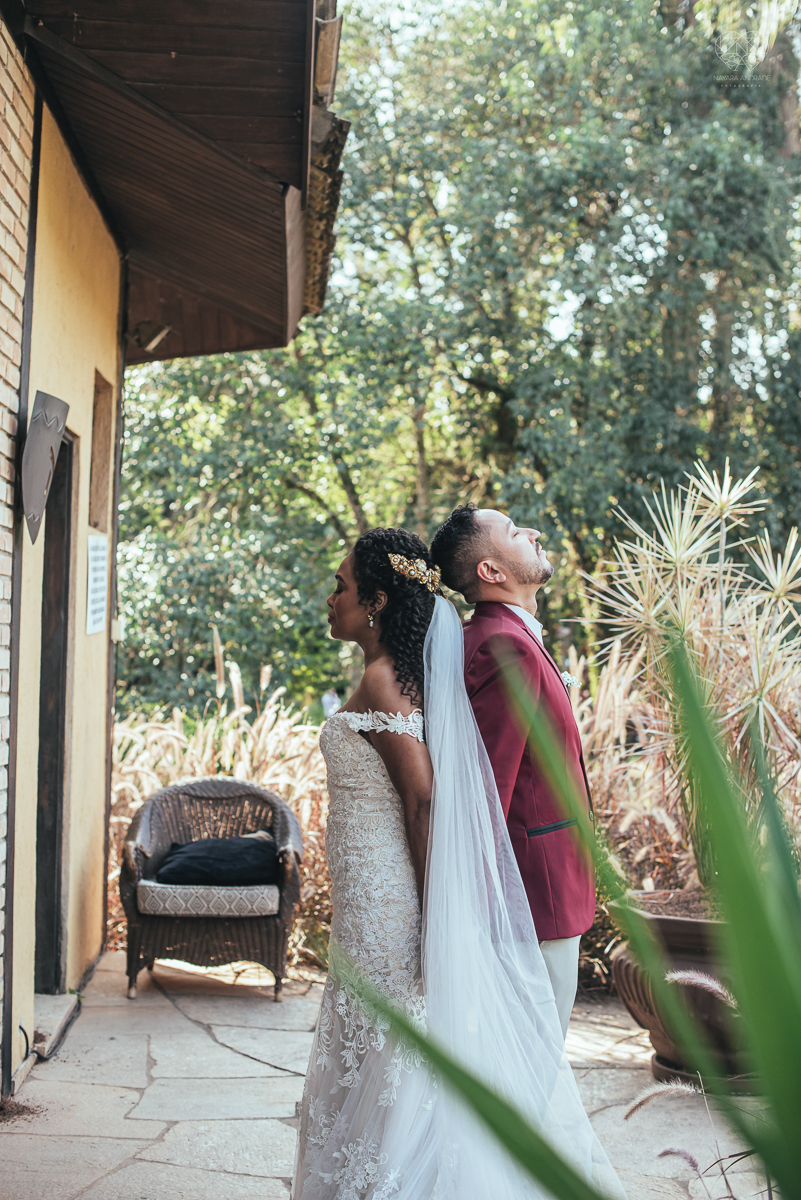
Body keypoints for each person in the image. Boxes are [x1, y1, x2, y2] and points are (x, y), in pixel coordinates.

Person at [292, 526, 625, 1200]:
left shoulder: (387, 680)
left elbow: (428, 801)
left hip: (389, 898)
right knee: (380, 1046)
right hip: (370, 893)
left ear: (377, 601)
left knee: (398, 1049)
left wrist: (447, 909)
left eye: (341, 586)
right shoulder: (402, 673)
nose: (330, 599)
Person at [430, 504, 595, 1039]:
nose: (533, 532)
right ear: (491, 570)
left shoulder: (506, 635)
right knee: (535, 1055)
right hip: (531, 896)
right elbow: (486, 789)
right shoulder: (503, 645)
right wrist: (481, 915)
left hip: (546, 883)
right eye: (513, 530)